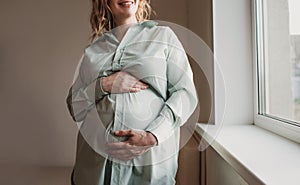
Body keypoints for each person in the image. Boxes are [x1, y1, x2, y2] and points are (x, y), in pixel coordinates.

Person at [66, 0, 198, 184]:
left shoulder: (163, 36)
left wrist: (153, 135)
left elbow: (185, 93)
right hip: (95, 167)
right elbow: (74, 106)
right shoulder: (93, 51)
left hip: (148, 165)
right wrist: (104, 85)